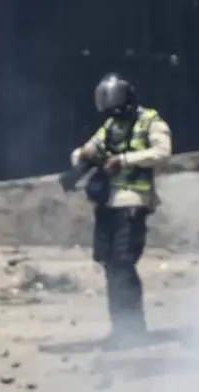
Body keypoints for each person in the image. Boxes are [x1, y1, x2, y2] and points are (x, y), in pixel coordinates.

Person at [69, 73, 172, 347]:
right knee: (109, 263)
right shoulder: (111, 125)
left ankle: (133, 327)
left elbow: (162, 152)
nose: (114, 115)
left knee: (124, 264)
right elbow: (83, 150)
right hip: (108, 204)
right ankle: (120, 328)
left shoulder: (151, 121)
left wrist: (124, 160)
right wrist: (84, 156)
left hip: (133, 202)